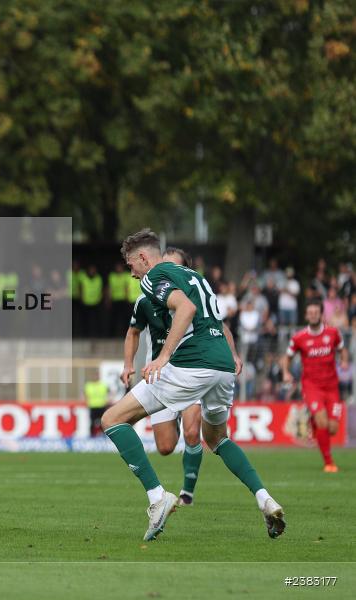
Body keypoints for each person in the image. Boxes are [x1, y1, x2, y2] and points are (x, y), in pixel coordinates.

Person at [103, 229, 284, 541]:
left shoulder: (153, 276)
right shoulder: (194, 275)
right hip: (223, 367)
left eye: (131, 265)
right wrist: (233, 354)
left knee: (112, 419)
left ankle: (158, 497)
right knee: (216, 439)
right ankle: (265, 499)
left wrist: (162, 357)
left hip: (191, 365)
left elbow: (185, 309)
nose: (131, 273)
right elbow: (215, 320)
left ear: (144, 258)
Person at [120, 247, 243, 508]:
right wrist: (128, 364)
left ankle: (187, 492)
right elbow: (133, 332)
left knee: (192, 431)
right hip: (160, 376)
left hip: (191, 368)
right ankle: (172, 418)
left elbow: (220, 327)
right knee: (165, 446)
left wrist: (233, 354)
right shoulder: (147, 298)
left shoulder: (191, 298)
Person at [280, 300, 350, 472]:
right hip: (312, 387)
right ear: (306, 315)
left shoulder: (333, 333)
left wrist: (345, 361)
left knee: (332, 428)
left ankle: (313, 421)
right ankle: (329, 462)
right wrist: (286, 372)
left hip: (332, 387)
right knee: (322, 422)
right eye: (310, 312)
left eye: (315, 312)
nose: (312, 315)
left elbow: (342, 349)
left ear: (321, 314)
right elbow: (287, 357)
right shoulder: (299, 337)